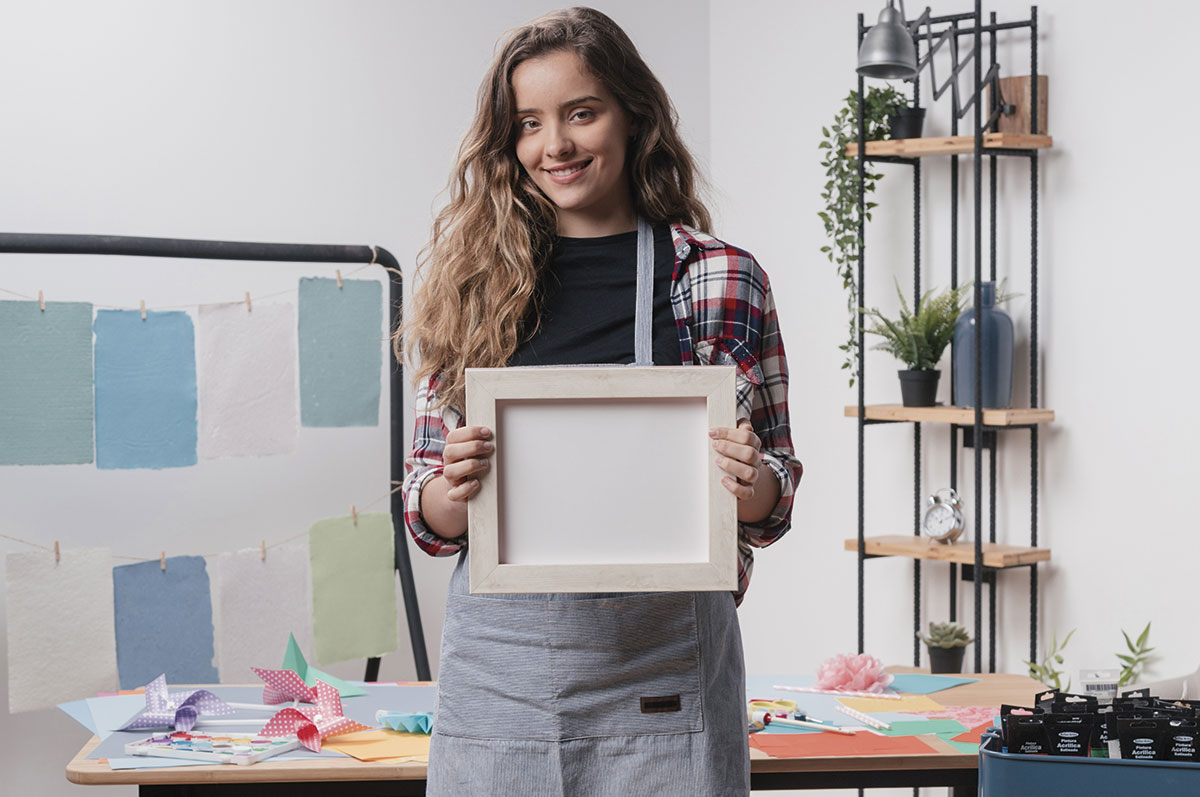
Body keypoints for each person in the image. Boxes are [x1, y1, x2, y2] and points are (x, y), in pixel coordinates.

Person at [397, 7, 802, 795]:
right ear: (508, 143)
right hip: (502, 680)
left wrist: (748, 476)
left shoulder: (721, 277)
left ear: (632, 114)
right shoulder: (469, 286)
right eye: (529, 124)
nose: (557, 145)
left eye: (582, 112)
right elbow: (427, 515)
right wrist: (455, 482)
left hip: (665, 673)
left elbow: (773, 500)